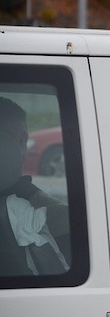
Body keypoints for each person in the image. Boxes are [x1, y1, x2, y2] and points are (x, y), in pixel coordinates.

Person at [0, 97, 69, 276]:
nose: (23, 153)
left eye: (25, 141)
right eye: (17, 141)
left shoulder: (23, 194)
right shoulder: (20, 210)